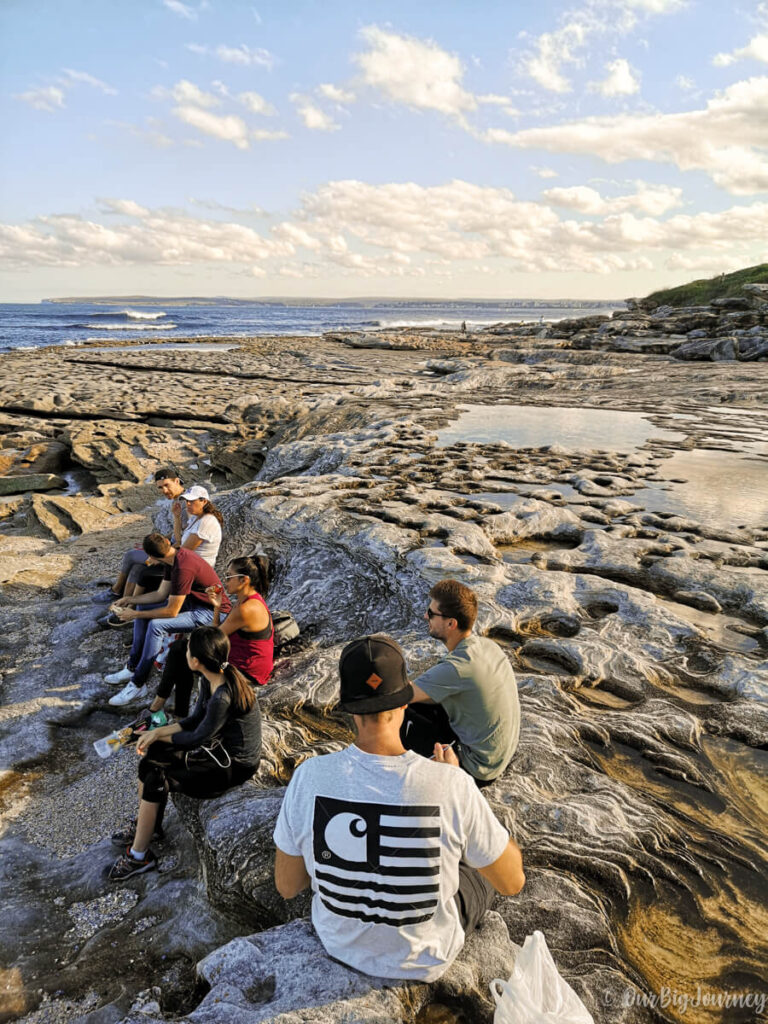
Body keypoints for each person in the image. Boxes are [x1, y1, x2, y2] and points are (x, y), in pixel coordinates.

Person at [273, 634, 524, 981]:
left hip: (338, 943)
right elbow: (512, 881)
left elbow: (288, 886)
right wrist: (461, 790)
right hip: (426, 958)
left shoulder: (309, 777)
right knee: (486, 865)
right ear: (405, 702)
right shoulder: (451, 785)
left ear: (348, 709)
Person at [108, 626, 262, 881]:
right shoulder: (210, 679)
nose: (185, 651)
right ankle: (149, 826)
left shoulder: (223, 694)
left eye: (188, 649)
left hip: (232, 767)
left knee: (157, 776)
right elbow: (193, 721)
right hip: (216, 752)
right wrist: (156, 734)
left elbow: (196, 737)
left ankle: (139, 857)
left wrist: (158, 734)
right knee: (151, 757)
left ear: (196, 660)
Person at [402, 580, 520, 786]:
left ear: (451, 623)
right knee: (423, 705)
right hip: (499, 756)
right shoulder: (487, 647)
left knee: (398, 713)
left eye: (431, 613)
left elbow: (402, 695)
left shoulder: (457, 667)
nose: (425, 617)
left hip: (478, 769)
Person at [105, 533, 230, 706]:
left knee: (157, 625)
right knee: (143, 608)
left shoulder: (183, 567)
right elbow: (160, 594)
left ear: (152, 556)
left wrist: (135, 615)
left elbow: (171, 611)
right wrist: (130, 600)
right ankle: (132, 667)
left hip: (211, 612)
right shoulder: (174, 557)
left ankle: (138, 683)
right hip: (193, 604)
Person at [148, 555, 274, 719]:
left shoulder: (247, 609)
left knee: (182, 651)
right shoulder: (246, 600)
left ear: (244, 580)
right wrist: (217, 607)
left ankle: (162, 709)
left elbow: (212, 638)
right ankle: (177, 713)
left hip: (246, 672)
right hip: (240, 661)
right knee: (183, 652)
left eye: (229, 577)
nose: (225, 581)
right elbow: (217, 633)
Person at [92, 468, 186, 606]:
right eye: (160, 488)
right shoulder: (176, 500)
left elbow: (185, 536)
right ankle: (122, 604)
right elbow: (178, 530)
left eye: (167, 485)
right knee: (137, 568)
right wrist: (159, 540)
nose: (164, 491)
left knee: (131, 556)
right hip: (169, 548)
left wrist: (159, 551)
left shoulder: (186, 503)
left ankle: (116, 591)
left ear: (176, 481)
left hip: (174, 554)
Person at [174, 485, 224, 568]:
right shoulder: (195, 517)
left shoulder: (206, 521)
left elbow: (184, 552)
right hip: (189, 566)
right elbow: (179, 540)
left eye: (192, 501)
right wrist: (176, 516)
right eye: (186, 501)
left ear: (204, 501)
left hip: (197, 571)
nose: (188, 504)